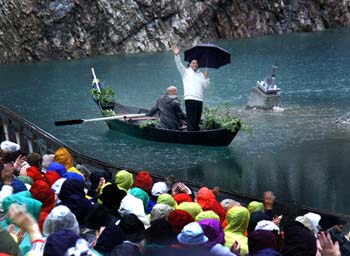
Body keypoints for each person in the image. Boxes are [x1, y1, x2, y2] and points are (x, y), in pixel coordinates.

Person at [172, 45, 210, 131]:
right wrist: (177, 55)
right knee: (191, 120)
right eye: (193, 63)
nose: (195, 65)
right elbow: (179, 65)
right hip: (190, 99)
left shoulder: (201, 75)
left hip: (199, 100)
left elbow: (206, 86)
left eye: (196, 63)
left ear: (198, 65)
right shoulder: (185, 72)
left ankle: (196, 133)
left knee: (197, 121)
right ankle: (191, 134)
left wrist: (206, 78)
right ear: (190, 64)